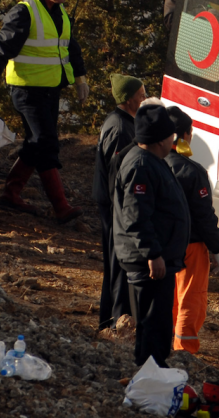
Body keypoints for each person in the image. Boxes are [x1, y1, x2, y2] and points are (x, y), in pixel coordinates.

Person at [0, 0, 88, 223]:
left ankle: (11, 193)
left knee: (35, 142)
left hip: (50, 89)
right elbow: (1, 49)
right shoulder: (25, 11)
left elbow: (70, 47)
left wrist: (80, 78)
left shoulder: (61, 12)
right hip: (27, 90)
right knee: (45, 142)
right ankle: (61, 206)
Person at [113, 104, 190, 367]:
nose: (174, 140)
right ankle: (150, 374)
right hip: (148, 261)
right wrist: (153, 254)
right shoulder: (141, 165)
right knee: (152, 324)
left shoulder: (151, 160)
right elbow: (136, 216)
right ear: (159, 138)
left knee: (157, 323)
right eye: (171, 135)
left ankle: (152, 371)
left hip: (156, 257)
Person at [163, 106, 219, 355]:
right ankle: (185, 352)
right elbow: (204, 216)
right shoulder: (194, 172)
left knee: (169, 299)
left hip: (162, 245)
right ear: (186, 135)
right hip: (191, 246)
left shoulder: (152, 163)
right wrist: (216, 248)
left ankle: (165, 346)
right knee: (190, 299)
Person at [95, 73, 146, 330]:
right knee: (117, 266)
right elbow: (117, 172)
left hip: (115, 206)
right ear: (128, 100)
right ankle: (115, 322)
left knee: (116, 265)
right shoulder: (119, 128)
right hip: (115, 207)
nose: (145, 99)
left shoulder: (124, 122)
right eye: (141, 96)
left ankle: (109, 320)